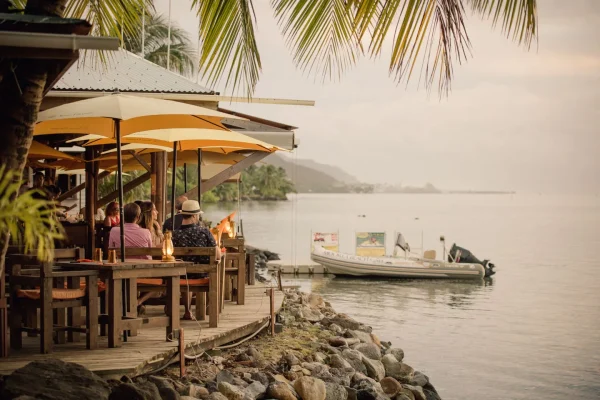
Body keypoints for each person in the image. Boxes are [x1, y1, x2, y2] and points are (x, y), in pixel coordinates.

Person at [172, 200, 221, 320]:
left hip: (181, 275)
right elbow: (218, 255)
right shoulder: (204, 232)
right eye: (198, 215)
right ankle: (209, 310)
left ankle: (188, 310)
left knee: (185, 272)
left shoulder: (174, 234)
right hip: (202, 275)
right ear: (194, 216)